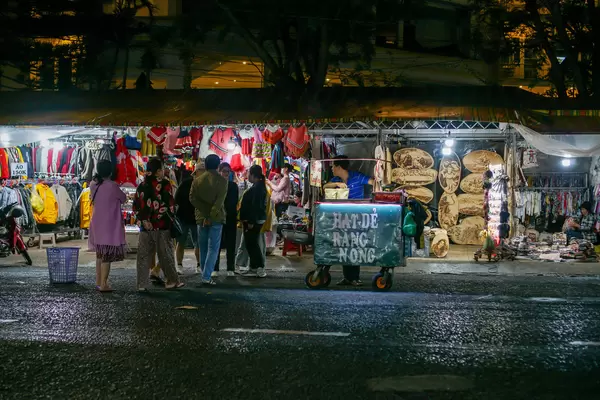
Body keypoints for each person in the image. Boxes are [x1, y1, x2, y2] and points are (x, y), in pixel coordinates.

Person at [133, 157, 184, 291]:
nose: (163, 172)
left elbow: (136, 206)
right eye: (161, 169)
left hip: (145, 227)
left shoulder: (142, 185)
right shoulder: (165, 184)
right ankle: (172, 281)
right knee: (165, 253)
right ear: (157, 171)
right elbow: (169, 204)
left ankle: (141, 284)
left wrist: (144, 220)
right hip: (162, 225)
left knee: (143, 256)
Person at [323, 155, 374, 286]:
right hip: (341, 219)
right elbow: (325, 187)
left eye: (333, 166)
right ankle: (347, 277)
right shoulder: (336, 179)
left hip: (357, 218)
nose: (332, 169)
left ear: (339, 167)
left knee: (354, 247)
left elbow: (372, 182)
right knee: (344, 247)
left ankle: (355, 278)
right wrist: (337, 184)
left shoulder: (356, 176)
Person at [88, 160, 126, 292]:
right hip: (109, 225)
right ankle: (104, 284)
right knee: (106, 256)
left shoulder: (93, 184)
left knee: (100, 254)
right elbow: (123, 198)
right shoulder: (112, 186)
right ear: (110, 171)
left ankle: (99, 281)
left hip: (97, 223)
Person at [189, 154, 228, 285]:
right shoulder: (222, 181)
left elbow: (192, 199)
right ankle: (206, 276)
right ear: (218, 166)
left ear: (205, 165)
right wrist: (210, 215)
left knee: (203, 247)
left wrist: (205, 214)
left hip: (201, 218)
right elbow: (219, 202)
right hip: (216, 218)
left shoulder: (197, 181)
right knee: (213, 248)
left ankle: (204, 274)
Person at [239, 165, 268, 278]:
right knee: (251, 243)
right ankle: (254, 267)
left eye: (248, 173)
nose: (247, 175)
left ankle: (259, 267)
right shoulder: (258, 186)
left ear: (252, 174)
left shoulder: (258, 188)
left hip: (253, 220)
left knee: (252, 244)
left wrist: (251, 221)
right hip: (255, 219)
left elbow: (255, 206)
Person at [213, 162, 239, 277]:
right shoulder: (215, 185)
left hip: (230, 218)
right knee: (216, 243)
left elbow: (233, 202)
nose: (226, 174)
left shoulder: (233, 186)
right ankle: (215, 268)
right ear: (219, 172)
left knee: (231, 243)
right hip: (218, 217)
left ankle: (230, 268)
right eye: (224, 171)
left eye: (228, 172)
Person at [174, 168, 199, 274]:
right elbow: (176, 199)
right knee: (182, 242)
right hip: (185, 217)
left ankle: (198, 264)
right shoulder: (186, 184)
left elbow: (176, 199)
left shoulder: (200, 185)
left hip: (193, 218)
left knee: (196, 243)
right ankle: (180, 264)